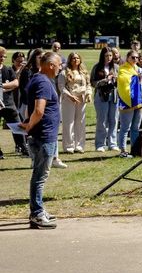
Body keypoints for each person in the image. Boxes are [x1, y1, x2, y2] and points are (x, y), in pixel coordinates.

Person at [19, 51, 63, 228]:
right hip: (44, 136)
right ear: (51, 65)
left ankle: (38, 209)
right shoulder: (43, 82)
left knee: (38, 175)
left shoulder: (38, 79)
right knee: (40, 176)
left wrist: (28, 123)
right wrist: (30, 126)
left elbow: (31, 109)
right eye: (59, 64)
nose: (61, 67)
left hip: (41, 135)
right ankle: (36, 214)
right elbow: (38, 110)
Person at [58, 52, 90, 153]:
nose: (75, 60)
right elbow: (61, 86)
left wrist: (88, 93)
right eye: (73, 58)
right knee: (69, 123)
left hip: (81, 99)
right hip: (69, 99)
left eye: (77, 58)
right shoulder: (64, 72)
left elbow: (88, 85)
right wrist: (70, 96)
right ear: (70, 60)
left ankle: (79, 145)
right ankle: (69, 146)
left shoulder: (84, 72)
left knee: (80, 122)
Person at [116, 51, 142, 157]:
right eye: (132, 57)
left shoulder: (140, 69)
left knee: (135, 128)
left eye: (137, 58)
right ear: (127, 58)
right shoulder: (123, 69)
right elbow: (123, 82)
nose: (135, 59)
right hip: (127, 102)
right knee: (125, 128)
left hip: (139, 102)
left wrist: (141, 77)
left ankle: (134, 149)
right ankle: (123, 150)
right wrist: (134, 77)